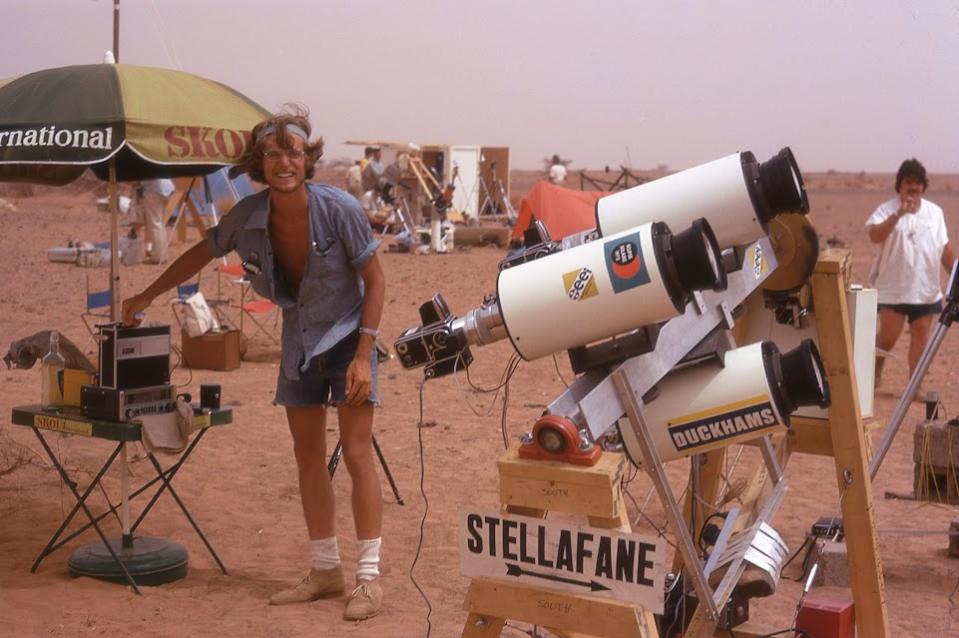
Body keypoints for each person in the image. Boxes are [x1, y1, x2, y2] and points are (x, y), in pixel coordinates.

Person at [121, 107, 387, 620]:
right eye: (272, 153)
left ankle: (369, 577)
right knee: (307, 457)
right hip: (298, 343)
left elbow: (375, 280)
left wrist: (362, 355)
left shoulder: (341, 209)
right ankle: (326, 569)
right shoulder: (248, 217)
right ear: (259, 164)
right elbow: (202, 252)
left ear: (306, 158)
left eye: (292, 152)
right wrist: (145, 295)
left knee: (356, 453)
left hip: (350, 338)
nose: (283, 162)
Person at [866, 158, 955, 396]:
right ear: (900, 185)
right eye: (908, 183)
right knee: (888, 337)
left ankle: (914, 387)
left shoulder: (934, 213)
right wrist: (898, 214)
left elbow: (944, 248)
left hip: (925, 289)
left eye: (917, 183)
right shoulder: (887, 209)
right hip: (893, 289)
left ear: (923, 186)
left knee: (920, 337)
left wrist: (956, 275)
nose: (913, 188)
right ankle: (875, 367)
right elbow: (874, 235)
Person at [135, 178, 175, 264]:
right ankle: (162, 255)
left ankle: (158, 257)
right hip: (166, 188)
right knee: (159, 223)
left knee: (155, 224)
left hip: (153, 190)